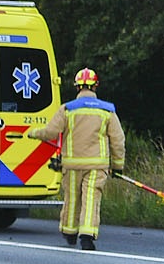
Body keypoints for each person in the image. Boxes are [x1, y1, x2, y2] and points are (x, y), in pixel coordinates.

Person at [31, 67, 125, 250]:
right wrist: (118, 166)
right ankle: (87, 235)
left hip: (72, 164)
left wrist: (34, 133)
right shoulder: (107, 111)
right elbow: (118, 141)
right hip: (97, 165)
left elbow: (51, 132)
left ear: (77, 87)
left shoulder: (67, 109)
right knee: (91, 198)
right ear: (95, 86)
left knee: (72, 198)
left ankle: (69, 232)